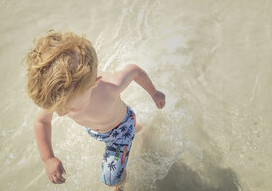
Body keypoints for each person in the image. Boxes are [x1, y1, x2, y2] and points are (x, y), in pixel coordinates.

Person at [25, 30, 166, 190]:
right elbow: (41, 121)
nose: (61, 114)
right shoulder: (62, 97)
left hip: (121, 128)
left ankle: (119, 184)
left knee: (110, 177)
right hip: (99, 131)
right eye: (57, 109)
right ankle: (140, 129)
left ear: (94, 84)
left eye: (70, 108)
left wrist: (155, 93)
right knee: (133, 130)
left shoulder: (111, 86)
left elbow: (134, 71)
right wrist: (48, 158)